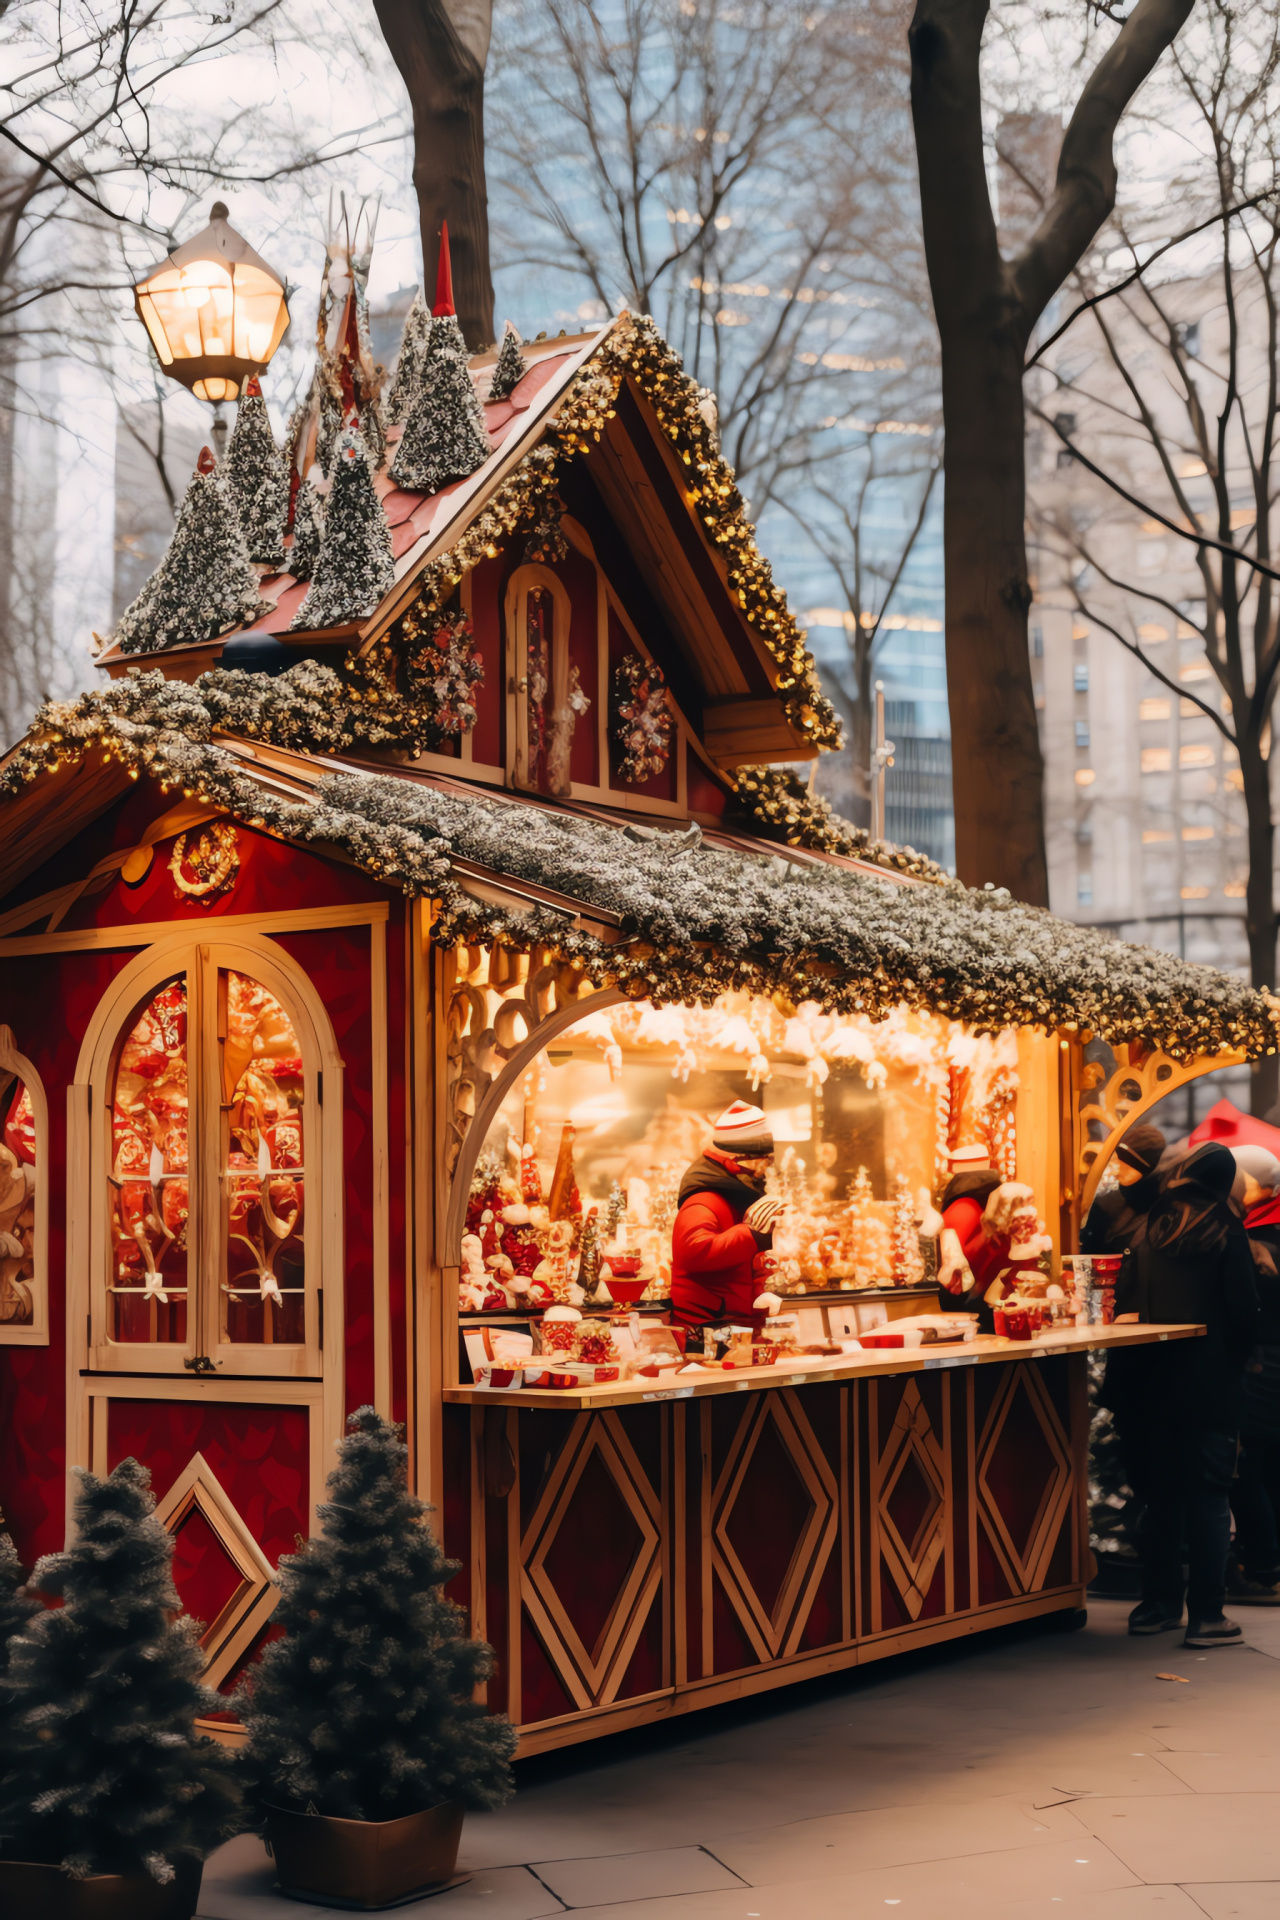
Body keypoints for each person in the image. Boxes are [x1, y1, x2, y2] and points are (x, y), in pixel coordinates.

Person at [1108, 1141, 1260, 1649]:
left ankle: (1157, 1605)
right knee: (1210, 1497)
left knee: (1160, 1496)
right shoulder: (1225, 1230)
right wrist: (1240, 1363)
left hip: (1144, 1386)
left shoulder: (1145, 1225)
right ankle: (1208, 1616)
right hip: (1207, 1385)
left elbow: (1124, 1304)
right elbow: (1243, 1315)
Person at [669, 1100, 785, 1334]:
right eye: (760, 1160)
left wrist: (760, 1292)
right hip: (704, 1327)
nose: (763, 1170)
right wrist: (751, 1234)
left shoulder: (736, 1196)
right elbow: (696, 1251)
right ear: (734, 1160)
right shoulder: (703, 1200)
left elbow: (741, 1263)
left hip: (731, 1323)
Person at [1226, 1146, 1280, 1602]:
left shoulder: (1260, 1236)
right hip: (1270, 1358)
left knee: (1251, 1466)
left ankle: (1262, 1565)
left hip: (1262, 1362)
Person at [1080, 1124, 1166, 1256]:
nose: (1117, 1169)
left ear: (1148, 1171)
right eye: (1118, 1159)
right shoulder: (1107, 1205)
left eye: (1128, 1164)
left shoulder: (1161, 1214)